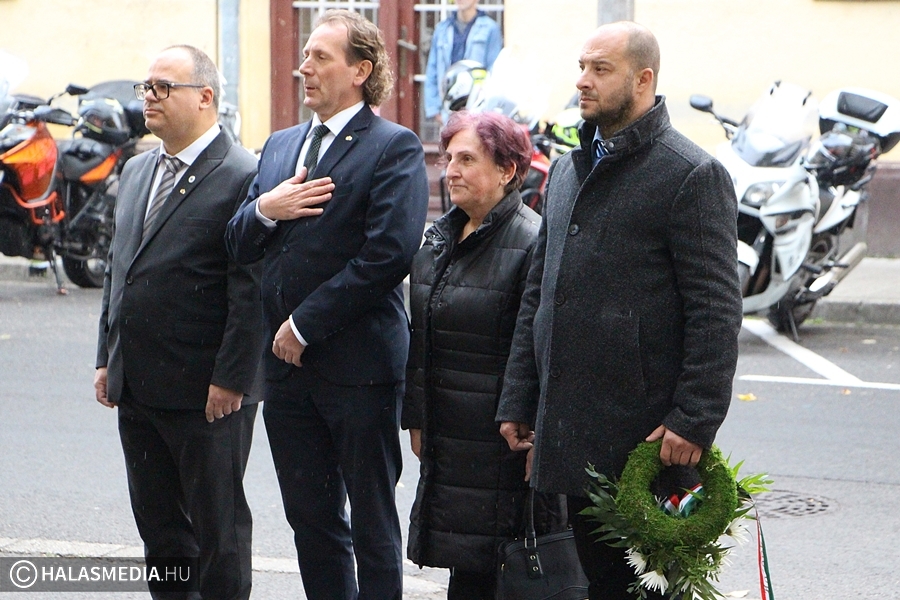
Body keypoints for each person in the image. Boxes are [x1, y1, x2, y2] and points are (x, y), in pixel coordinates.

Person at [495, 22, 743, 600]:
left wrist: (694, 418)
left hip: (646, 442)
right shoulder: (567, 169)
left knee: (644, 590)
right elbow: (540, 293)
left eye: (600, 69)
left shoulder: (692, 174)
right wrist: (519, 397)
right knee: (595, 584)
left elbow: (715, 310)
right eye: (582, 67)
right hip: (568, 434)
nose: (583, 80)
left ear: (643, 79)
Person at [225, 10, 429, 600]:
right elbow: (237, 243)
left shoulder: (393, 146)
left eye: (320, 57)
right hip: (288, 374)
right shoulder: (281, 145)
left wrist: (305, 324)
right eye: (304, 55)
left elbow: (388, 254)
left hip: (358, 368)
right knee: (310, 520)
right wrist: (267, 209)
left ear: (361, 70)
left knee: (371, 522)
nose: (303, 67)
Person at [94, 45, 261, 600]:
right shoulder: (137, 169)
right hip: (139, 387)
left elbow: (250, 289)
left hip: (206, 394)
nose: (149, 97)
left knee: (218, 533)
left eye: (163, 87)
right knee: (161, 532)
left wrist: (232, 378)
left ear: (205, 97)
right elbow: (120, 267)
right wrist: (106, 357)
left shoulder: (243, 174)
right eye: (147, 87)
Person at [402, 111, 566, 600]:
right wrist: (417, 417)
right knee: (467, 573)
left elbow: (539, 349)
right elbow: (421, 341)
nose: (451, 170)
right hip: (452, 444)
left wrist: (536, 430)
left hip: (504, 444)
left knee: (509, 574)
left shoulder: (532, 242)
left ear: (507, 170)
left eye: (467, 160)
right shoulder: (440, 240)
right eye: (448, 158)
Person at [424, 0, 502, 123]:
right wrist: (434, 109)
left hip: (477, 108)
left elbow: (494, 70)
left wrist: (487, 109)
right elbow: (432, 70)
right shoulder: (442, 29)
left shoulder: (490, 28)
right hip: (449, 106)